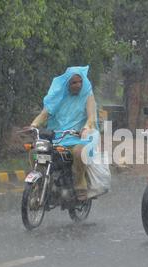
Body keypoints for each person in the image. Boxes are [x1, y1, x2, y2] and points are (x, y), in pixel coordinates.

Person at [29, 66, 98, 201]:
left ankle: (80, 184)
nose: (78, 85)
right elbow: (44, 115)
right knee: (34, 151)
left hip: (78, 138)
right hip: (56, 138)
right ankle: (41, 182)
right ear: (67, 84)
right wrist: (33, 126)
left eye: (80, 82)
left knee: (79, 153)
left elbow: (92, 118)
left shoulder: (87, 96)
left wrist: (86, 128)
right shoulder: (57, 97)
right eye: (74, 83)